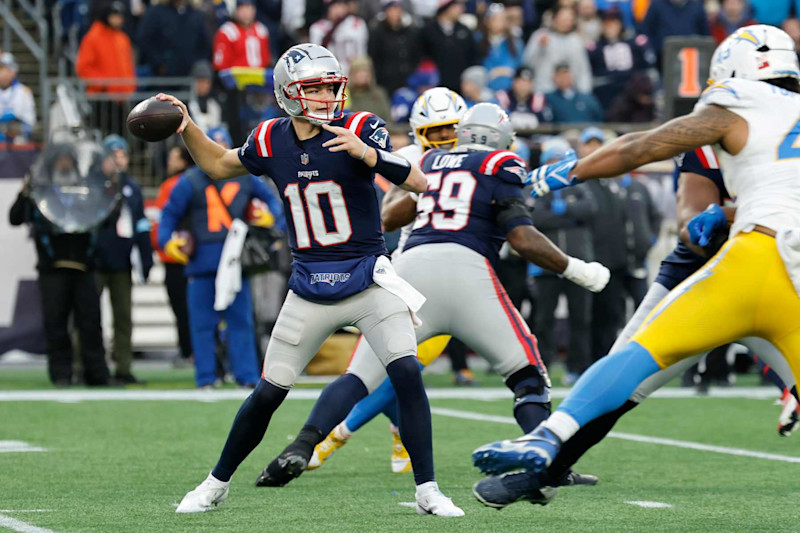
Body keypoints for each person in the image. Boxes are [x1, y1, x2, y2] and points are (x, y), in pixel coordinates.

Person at [471, 24, 800, 504]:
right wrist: (714, 218)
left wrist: (558, 174)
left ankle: (545, 439)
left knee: (629, 367)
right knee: (626, 382)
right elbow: (693, 221)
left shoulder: (733, 102)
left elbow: (642, 147)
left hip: (756, 260)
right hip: (710, 267)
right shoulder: (756, 118)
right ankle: (541, 473)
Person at [168, 43, 463, 517]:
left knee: (407, 372)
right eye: (315, 87)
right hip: (309, 284)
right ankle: (215, 483)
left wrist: (368, 155)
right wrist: (187, 128)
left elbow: (418, 183)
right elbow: (220, 164)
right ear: (288, 95)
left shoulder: (361, 127)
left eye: (331, 84)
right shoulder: (270, 139)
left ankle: (428, 489)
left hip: (369, 277)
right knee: (268, 392)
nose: (328, 94)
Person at [282, 103, 610, 486]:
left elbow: (394, 214)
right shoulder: (501, 163)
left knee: (360, 375)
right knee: (527, 376)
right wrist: (577, 270)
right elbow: (521, 238)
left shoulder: (433, 161)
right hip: (467, 269)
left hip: (410, 269)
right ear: (500, 138)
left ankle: (303, 445)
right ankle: (549, 468)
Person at [309, 86, 467, 473]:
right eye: (437, 132)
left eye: (451, 131)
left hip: (460, 277)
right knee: (389, 366)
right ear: (419, 133)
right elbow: (385, 212)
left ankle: (385, 432)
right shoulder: (410, 158)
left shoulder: (476, 160)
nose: (445, 140)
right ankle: (336, 435)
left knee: (402, 367)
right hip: (410, 272)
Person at [157, 128, 271, 389]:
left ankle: (246, 376)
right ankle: (207, 376)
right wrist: (167, 242)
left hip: (234, 261)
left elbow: (275, 203)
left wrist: (271, 220)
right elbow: (168, 216)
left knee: (240, 321)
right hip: (203, 260)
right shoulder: (189, 181)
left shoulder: (246, 178)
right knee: (203, 323)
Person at [8, 144, 112, 386]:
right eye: (60, 162)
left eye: (68, 162)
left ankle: (96, 374)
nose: (64, 166)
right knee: (55, 324)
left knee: (90, 324)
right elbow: (15, 218)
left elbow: (106, 218)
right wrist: (24, 191)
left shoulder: (88, 191)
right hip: (51, 268)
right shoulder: (40, 193)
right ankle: (61, 375)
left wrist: (109, 186)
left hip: (85, 266)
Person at [530, 137, 598, 382]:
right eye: (552, 160)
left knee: (580, 318)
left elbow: (590, 210)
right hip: (546, 265)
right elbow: (537, 219)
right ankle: (542, 366)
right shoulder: (539, 188)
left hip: (578, 262)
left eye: (560, 160)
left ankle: (577, 367)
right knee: (543, 319)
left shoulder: (579, 186)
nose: (556, 165)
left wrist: (562, 211)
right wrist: (571, 216)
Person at [94, 134, 153, 384]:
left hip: (121, 260)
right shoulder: (94, 184)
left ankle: (123, 367)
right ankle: (86, 364)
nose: (120, 160)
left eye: (123, 155)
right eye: (114, 155)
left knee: (123, 317)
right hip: (95, 260)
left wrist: (145, 256)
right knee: (89, 317)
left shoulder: (131, 186)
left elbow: (140, 224)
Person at [151, 145, 194, 367]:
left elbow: (161, 222)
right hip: (198, 254)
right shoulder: (200, 180)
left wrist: (161, 246)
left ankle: (188, 351)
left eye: (173, 157)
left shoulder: (172, 185)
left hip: (176, 256)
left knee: (183, 307)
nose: (169, 161)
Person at [523, 4, 592, 95]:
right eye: (563, 19)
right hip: (543, 91)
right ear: (554, 18)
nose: (566, 22)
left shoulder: (576, 40)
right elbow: (527, 64)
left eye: (569, 20)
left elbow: (583, 70)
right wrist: (540, 48)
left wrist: (585, 93)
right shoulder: (541, 36)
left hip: (569, 94)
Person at [136, 0, 211, 77]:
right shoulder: (156, 13)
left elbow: (205, 45)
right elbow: (144, 40)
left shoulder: (196, 14)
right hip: (161, 78)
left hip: (190, 77)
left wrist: (196, 64)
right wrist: (159, 64)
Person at [368, 0, 423, 95]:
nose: (395, 13)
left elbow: (416, 55)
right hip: (386, 82)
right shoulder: (377, 33)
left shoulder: (410, 32)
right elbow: (374, 57)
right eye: (392, 10)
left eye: (397, 9)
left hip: (407, 79)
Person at [422, 0, 478, 91]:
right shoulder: (428, 31)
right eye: (457, 5)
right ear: (447, 7)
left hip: (461, 86)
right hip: (435, 86)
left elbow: (472, 57)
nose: (462, 9)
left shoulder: (465, 31)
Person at [309, 0, 368, 75]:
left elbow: (361, 53)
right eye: (334, 6)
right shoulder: (318, 28)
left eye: (341, 5)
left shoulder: (357, 24)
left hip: (353, 71)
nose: (339, 9)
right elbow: (317, 57)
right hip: (329, 72)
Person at [212, 0, 271, 71]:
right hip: (235, 79)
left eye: (249, 8)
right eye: (242, 9)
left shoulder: (261, 30)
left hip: (259, 78)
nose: (246, 13)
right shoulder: (227, 32)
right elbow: (221, 65)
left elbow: (266, 60)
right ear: (236, 10)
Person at [0, 52, 35, 142]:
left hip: (17, 145)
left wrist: (15, 128)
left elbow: (30, 121)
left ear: (12, 72)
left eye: (2, 68)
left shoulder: (23, 92)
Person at [346, 56, 392, 122]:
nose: (364, 74)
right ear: (352, 74)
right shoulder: (345, 94)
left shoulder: (379, 94)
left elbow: (388, 120)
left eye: (366, 71)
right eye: (359, 71)